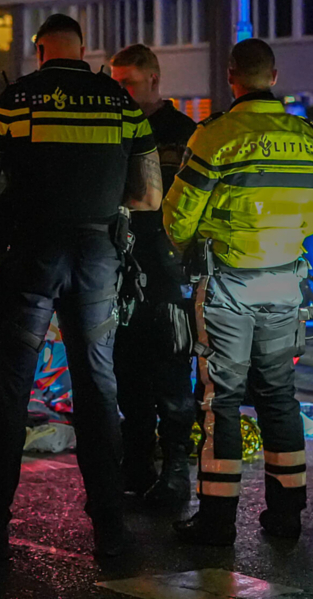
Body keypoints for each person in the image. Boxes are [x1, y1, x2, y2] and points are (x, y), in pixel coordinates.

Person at [0, 14, 162, 559]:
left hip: (30, 256)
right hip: (97, 257)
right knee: (98, 388)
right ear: (84, 48)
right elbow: (149, 198)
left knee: (9, 390)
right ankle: (111, 532)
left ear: (39, 49)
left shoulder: (17, 101)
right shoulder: (119, 102)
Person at [163, 38, 313, 546]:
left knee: (223, 400)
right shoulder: (309, 139)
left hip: (229, 288)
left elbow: (178, 216)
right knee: (280, 396)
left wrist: (191, 245)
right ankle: (286, 514)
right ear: (274, 77)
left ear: (231, 76)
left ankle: (216, 519)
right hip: (285, 284)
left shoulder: (216, 135)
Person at [109, 44, 196, 506]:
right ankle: (137, 466)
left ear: (155, 81)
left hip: (167, 272)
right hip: (122, 269)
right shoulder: (114, 128)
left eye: (128, 84)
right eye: (115, 83)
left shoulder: (183, 134)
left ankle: (176, 469)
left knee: (171, 372)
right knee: (128, 373)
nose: (119, 92)